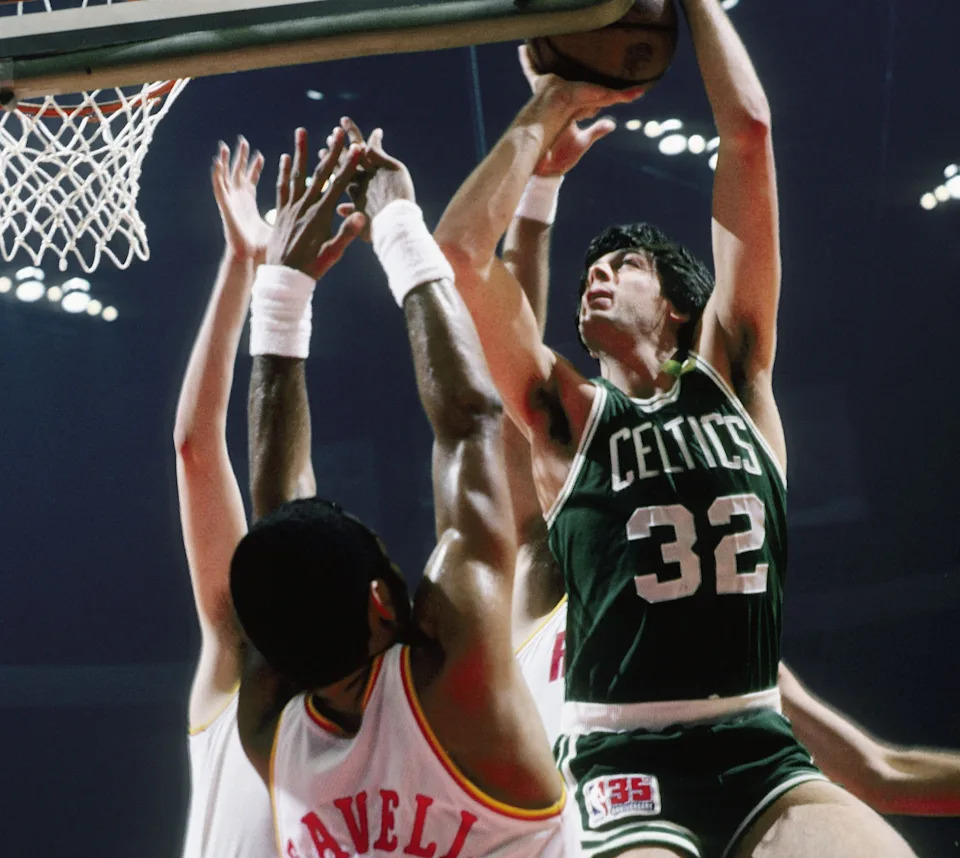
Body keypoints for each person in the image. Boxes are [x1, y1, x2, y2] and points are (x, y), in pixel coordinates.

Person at [432, 0, 918, 853]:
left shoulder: (740, 377)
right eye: (593, 268)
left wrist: (693, 3)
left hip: (757, 741)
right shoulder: (567, 417)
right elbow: (464, 256)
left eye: (623, 266)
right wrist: (551, 102)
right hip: (621, 754)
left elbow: (751, 133)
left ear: (682, 306)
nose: (599, 276)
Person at [497, 106, 960, 824]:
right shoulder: (540, 552)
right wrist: (535, 191)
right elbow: (510, 342)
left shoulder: (718, 653)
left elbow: (877, 772)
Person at [231, 126, 566, 858]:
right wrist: (397, 224)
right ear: (383, 601)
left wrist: (284, 291)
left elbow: (276, 535)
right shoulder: (455, 688)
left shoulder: (269, 736)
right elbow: (475, 423)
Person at [173, 133, 363, 858]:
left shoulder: (238, 664)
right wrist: (243, 267)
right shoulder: (386, 720)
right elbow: (196, 450)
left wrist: (248, 269)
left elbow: (193, 450)